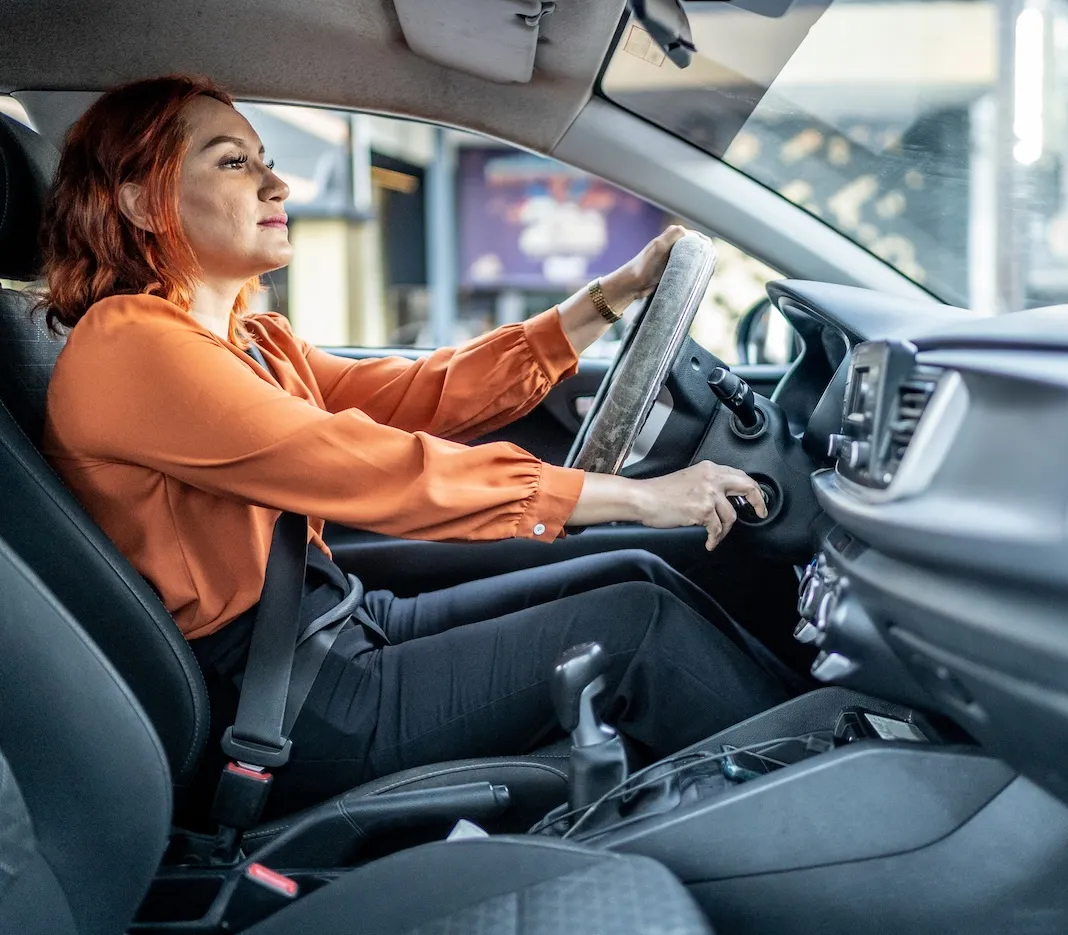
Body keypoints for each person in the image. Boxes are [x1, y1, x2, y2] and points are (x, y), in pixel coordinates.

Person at [38, 75, 793, 815]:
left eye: (266, 158)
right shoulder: (129, 347)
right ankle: (830, 793)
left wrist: (614, 293)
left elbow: (423, 396)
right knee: (637, 629)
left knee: (637, 574)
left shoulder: (254, 341)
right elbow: (368, 467)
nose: (278, 185)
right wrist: (637, 495)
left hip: (329, 631)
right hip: (280, 702)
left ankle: (812, 753)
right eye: (233, 161)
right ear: (141, 200)